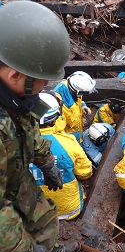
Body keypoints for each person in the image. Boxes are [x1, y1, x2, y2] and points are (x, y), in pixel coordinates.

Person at [0, 0, 79, 252]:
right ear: (15, 75)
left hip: (13, 178)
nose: (46, 86)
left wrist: (45, 160)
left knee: (45, 217)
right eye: (42, 81)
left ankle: (45, 250)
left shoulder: (14, 97)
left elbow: (27, 129)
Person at [29, 91, 93, 221]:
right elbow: (85, 173)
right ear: (54, 120)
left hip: (32, 215)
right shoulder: (69, 143)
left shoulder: (15, 143)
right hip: (69, 211)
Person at [54, 71, 96, 144]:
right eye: (82, 93)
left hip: (77, 131)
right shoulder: (58, 106)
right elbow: (58, 132)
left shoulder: (72, 87)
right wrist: (71, 139)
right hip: (70, 138)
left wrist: (83, 106)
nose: (83, 95)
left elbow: (78, 100)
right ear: (76, 92)